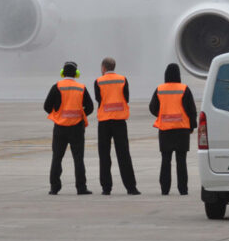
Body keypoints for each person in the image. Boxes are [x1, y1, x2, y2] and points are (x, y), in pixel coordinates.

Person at [44, 61, 94, 195]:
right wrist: (80, 114)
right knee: (78, 159)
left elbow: (46, 107)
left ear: (62, 73)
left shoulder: (57, 87)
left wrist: (58, 113)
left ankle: (54, 188)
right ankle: (81, 188)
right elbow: (90, 107)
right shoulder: (81, 88)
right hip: (77, 128)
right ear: (76, 74)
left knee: (57, 158)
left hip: (60, 127)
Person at [149, 63, 197, 195]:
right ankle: (183, 189)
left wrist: (162, 114)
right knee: (181, 161)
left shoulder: (160, 89)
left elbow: (152, 107)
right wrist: (192, 126)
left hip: (165, 130)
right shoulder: (184, 89)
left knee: (166, 161)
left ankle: (165, 189)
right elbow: (192, 110)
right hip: (182, 130)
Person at [94, 57, 140, 195]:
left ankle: (106, 188)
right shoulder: (122, 79)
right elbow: (126, 98)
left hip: (104, 122)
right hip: (120, 121)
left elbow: (98, 99)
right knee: (124, 155)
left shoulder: (98, 81)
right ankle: (131, 187)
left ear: (103, 68)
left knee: (104, 155)